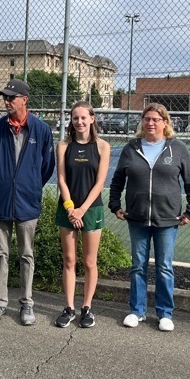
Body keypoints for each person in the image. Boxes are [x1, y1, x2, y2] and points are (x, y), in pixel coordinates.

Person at [109, 103, 190, 332]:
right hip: (137, 218)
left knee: (164, 267)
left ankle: (164, 313)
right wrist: (114, 205)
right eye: (147, 119)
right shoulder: (131, 148)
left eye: (156, 119)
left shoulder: (178, 148)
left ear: (165, 123)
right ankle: (137, 311)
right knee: (137, 266)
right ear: (142, 121)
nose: (151, 123)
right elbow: (118, 180)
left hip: (167, 220)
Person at [0, 79, 55, 325]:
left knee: (26, 255)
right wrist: (5, 184)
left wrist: (30, 186)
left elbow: (47, 167)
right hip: (0, 202)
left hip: (27, 203)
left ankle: (27, 304)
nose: (7, 101)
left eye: (11, 98)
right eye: (5, 97)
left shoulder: (41, 130)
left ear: (24, 100)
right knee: (0, 254)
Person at [54, 102, 111, 328]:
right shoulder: (62, 145)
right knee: (69, 260)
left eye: (83, 118)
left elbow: (99, 183)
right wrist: (70, 208)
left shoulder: (103, 147)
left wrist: (82, 210)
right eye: (75, 118)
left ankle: (86, 308)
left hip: (91, 209)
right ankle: (69, 308)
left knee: (89, 261)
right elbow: (61, 179)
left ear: (92, 119)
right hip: (67, 209)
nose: (79, 122)